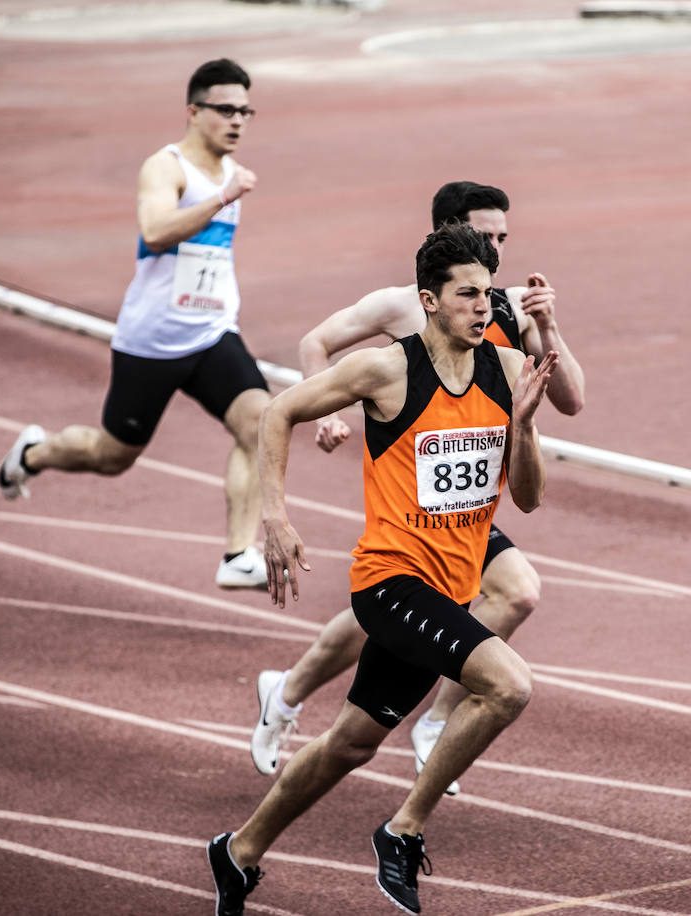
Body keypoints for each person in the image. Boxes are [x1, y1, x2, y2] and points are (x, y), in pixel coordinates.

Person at [209, 222, 557, 915]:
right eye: (466, 295)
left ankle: (237, 852)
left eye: (488, 293)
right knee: (509, 687)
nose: (483, 307)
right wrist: (273, 517)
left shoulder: (508, 368)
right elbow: (279, 412)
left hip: (449, 590)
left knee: (350, 745)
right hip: (390, 583)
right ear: (428, 300)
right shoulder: (388, 369)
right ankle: (402, 831)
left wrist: (521, 427)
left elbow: (529, 496)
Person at [249, 181, 584, 793]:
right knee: (380, 616)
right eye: (486, 236)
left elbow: (570, 399)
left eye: (504, 239)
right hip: (412, 501)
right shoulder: (398, 306)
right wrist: (325, 411)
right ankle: (291, 691)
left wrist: (550, 327)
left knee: (516, 594)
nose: (499, 251)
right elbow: (314, 344)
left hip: (471, 501)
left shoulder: (502, 307)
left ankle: (434, 719)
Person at [0, 58, 270, 589]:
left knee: (260, 423)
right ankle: (34, 453)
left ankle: (238, 555)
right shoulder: (165, 168)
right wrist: (219, 199)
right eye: (226, 109)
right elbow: (156, 230)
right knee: (111, 456)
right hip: (151, 342)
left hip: (212, 334)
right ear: (194, 111)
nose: (237, 120)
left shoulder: (233, 173)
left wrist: (224, 195)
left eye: (246, 111)